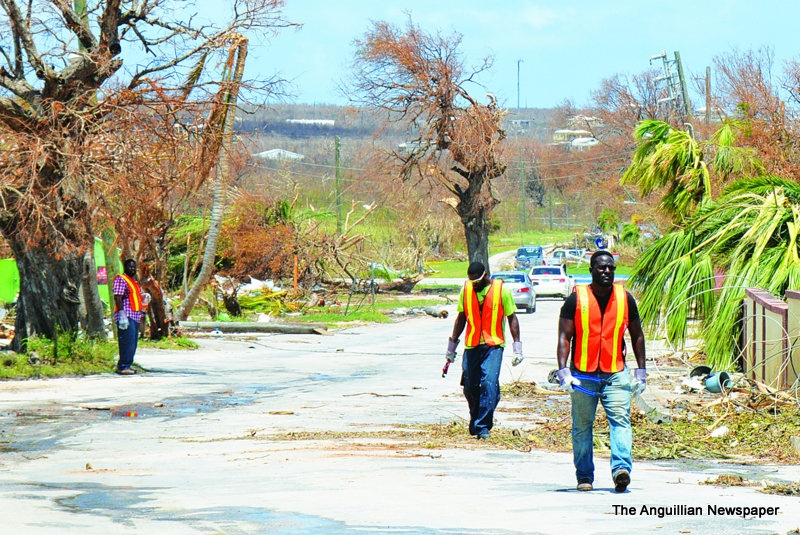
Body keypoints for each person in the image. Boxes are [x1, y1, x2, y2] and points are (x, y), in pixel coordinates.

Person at [556, 250, 646, 492]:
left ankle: (621, 470)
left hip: (615, 372)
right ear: (591, 270)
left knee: (620, 421)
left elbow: (637, 335)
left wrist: (641, 372)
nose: (607, 271)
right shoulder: (576, 299)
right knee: (582, 426)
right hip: (582, 375)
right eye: (601, 267)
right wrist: (563, 371)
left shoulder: (625, 299)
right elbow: (564, 337)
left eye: (610, 267)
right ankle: (584, 476)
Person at [446, 262, 524, 440]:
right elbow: (461, 318)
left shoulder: (501, 290)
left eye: (477, 281)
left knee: (488, 382)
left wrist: (517, 347)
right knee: (470, 385)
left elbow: (512, 318)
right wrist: (451, 347)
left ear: (485, 275)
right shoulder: (466, 290)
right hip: (472, 345)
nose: (474, 284)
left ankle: (483, 427)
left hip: (493, 345)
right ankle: (476, 416)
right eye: (471, 281)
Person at [113, 259, 147, 375]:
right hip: (126, 315)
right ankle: (123, 366)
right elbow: (118, 297)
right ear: (125, 267)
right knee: (126, 342)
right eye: (130, 267)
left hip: (135, 315)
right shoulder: (121, 279)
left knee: (133, 343)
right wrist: (122, 314)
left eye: (134, 267)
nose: (132, 269)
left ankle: (127, 365)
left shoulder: (133, 282)